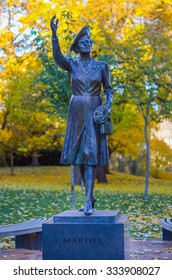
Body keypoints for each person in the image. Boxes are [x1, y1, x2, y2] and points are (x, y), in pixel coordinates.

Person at [50, 15, 113, 215]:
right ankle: (89, 195)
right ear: (77, 47)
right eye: (82, 42)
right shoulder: (72, 64)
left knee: (91, 153)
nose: (86, 44)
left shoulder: (101, 65)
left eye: (89, 41)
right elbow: (58, 58)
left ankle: (87, 201)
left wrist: (108, 105)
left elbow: (109, 89)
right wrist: (54, 36)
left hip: (94, 109)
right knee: (78, 155)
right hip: (76, 110)